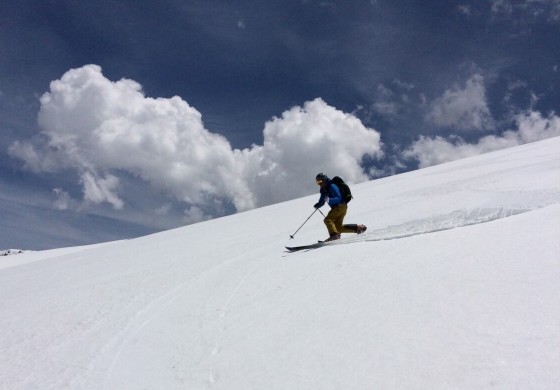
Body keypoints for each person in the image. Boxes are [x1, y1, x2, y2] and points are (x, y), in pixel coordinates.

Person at [314, 173, 367, 241]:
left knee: (328, 220)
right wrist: (318, 205)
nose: (319, 184)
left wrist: (329, 200)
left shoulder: (331, 185)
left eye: (320, 181)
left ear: (324, 179)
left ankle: (334, 235)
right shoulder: (323, 190)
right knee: (338, 227)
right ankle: (358, 228)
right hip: (340, 208)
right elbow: (322, 201)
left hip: (339, 206)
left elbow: (338, 198)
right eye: (317, 182)